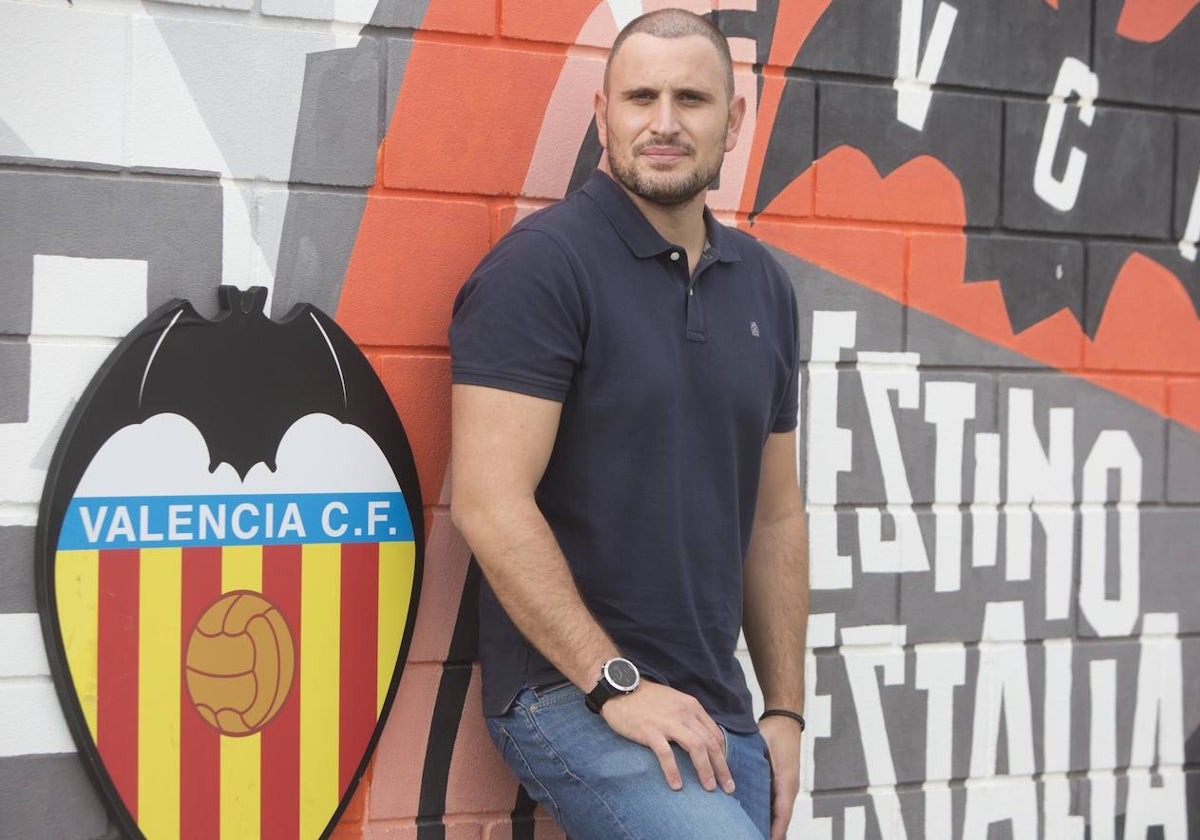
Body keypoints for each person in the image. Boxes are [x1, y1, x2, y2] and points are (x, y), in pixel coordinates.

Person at [448, 8, 809, 839]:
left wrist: (784, 709)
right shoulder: (544, 269)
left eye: (693, 99)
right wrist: (614, 682)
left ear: (735, 120)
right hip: (568, 692)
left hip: (717, 706)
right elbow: (489, 502)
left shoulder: (764, 285)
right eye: (640, 96)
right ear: (602, 112)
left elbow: (775, 512)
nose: (665, 123)